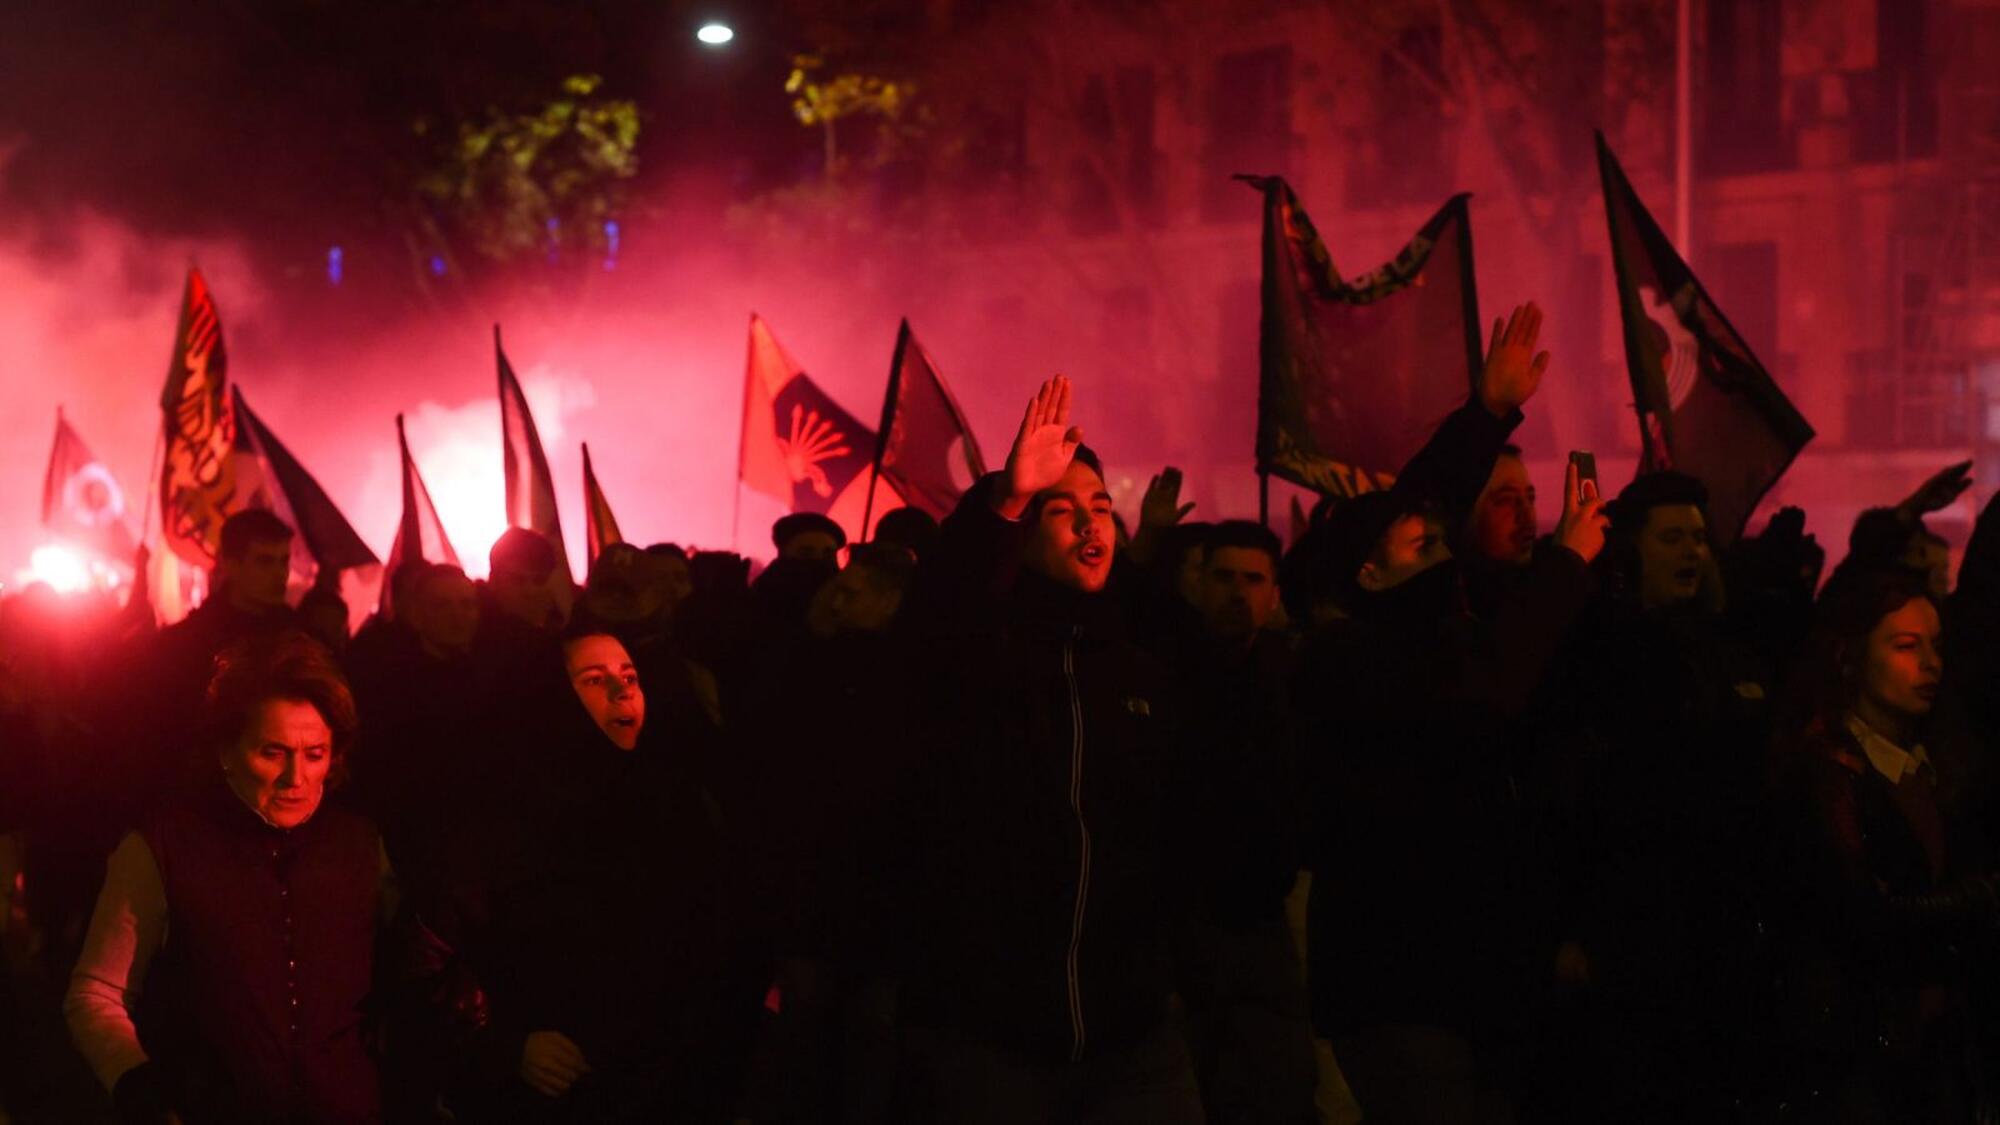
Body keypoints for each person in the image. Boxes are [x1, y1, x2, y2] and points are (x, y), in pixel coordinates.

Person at [1299, 302, 1608, 1125]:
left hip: (1474, 977)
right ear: (1366, 577)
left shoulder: (1418, 626)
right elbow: (1488, 682)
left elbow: (1416, 512)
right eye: (1421, 550)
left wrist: (1488, 412)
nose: (1441, 550)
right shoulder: (1356, 657)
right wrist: (1569, 566)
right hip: (1399, 987)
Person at [899, 375, 1204, 1124]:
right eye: (1061, 512)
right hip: (994, 1039)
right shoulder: (979, 650)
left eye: (1101, 508)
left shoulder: (1139, 667)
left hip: (1133, 1034)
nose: (1089, 527)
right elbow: (939, 611)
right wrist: (1003, 500)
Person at [400, 628, 752, 1122]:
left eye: (629, 676)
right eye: (594, 679)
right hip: (548, 1097)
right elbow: (425, 960)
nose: (622, 690)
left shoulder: (676, 807)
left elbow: (716, 946)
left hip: (664, 1087)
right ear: (551, 697)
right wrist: (505, 1047)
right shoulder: (498, 822)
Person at [66, 633, 389, 1124]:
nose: (295, 777)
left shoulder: (359, 846)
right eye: (272, 752)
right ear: (226, 751)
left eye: (315, 754)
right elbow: (96, 994)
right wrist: (142, 1089)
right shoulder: (164, 848)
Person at [1538, 470, 1778, 1120]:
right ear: (1633, 548)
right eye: (1672, 536)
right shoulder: (1596, 651)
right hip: (1633, 939)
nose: (1691, 551)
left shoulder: (1722, 648)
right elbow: (1571, 794)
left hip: (1718, 937)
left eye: (1699, 538)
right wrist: (1570, 926)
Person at [1770, 568, 1998, 1121]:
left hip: (1934, 1043)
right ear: (1850, 658)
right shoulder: (1831, 772)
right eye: (1905, 646)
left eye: (1936, 646)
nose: (1930, 664)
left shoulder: (1944, 762)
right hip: (1862, 1054)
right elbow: (1859, 915)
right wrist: (1982, 897)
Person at [1158, 520, 1316, 1125]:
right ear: (1196, 583)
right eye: (1223, 577)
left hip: (1257, 921)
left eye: (1252, 580)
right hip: (1181, 925)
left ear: (1274, 594)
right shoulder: (1161, 674)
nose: (1237, 593)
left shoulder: (1287, 680)